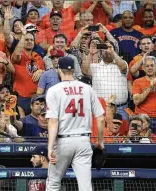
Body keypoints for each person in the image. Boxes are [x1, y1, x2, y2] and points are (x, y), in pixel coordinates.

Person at [45, 57, 105, 191]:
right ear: (73, 69)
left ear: (58, 69)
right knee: (85, 186)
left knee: (53, 183)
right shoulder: (87, 88)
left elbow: (53, 121)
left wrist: (50, 148)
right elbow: (100, 118)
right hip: (83, 141)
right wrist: (100, 142)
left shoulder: (54, 90)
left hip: (63, 141)